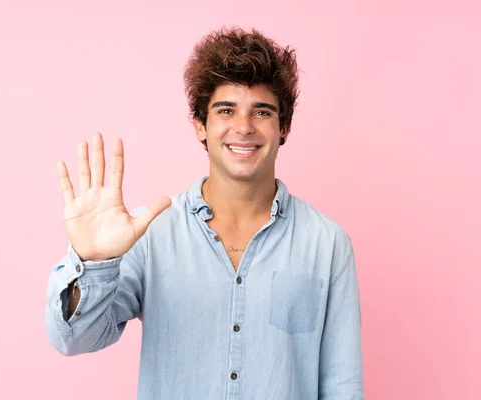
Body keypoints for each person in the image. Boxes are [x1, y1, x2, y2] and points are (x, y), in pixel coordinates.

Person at [45, 26, 364, 399]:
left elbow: (343, 387)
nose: (243, 127)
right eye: (226, 110)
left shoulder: (327, 244)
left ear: (284, 128)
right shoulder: (153, 234)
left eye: (261, 111)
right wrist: (93, 262)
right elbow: (74, 340)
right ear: (200, 125)